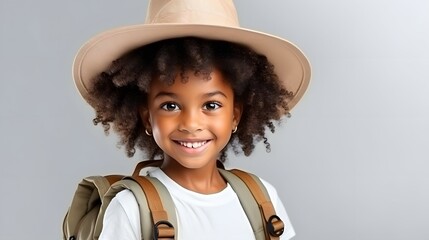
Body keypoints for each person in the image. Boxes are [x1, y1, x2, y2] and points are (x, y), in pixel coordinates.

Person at [72, 0, 311, 239]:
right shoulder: (131, 209)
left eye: (211, 105)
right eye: (170, 105)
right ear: (147, 117)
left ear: (235, 115)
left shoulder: (263, 201)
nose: (191, 124)